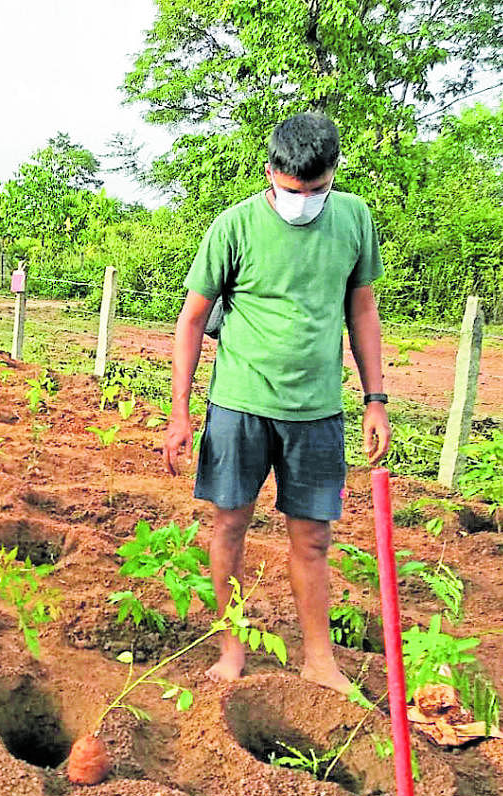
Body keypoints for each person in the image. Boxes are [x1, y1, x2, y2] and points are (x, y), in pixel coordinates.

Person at [164, 113, 390, 696]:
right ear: (271, 173)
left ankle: (319, 659)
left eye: (317, 191)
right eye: (293, 191)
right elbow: (192, 318)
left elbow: (361, 311)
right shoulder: (234, 226)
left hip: (317, 410)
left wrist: (375, 398)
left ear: (333, 174)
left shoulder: (354, 220)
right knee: (230, 524)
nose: (305, 202)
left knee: (313, 537)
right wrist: (180, 411)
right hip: (240, 404)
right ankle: (232, 647)